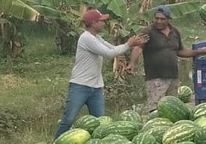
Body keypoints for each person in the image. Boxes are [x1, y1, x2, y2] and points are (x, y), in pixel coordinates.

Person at [55, 8, 146, 137]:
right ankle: (55, 143)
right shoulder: (86, 38)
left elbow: (113, 49)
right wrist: (127, 44)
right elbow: (109, 54)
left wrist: (131, 44)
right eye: (101, 21)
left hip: (96, 87)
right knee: (68, 119)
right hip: (80, 86)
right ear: (93, 23)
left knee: (100, 122)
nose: (104, 23)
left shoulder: (96, 37)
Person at [128, 5, 196, 113]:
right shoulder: (148, 31)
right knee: (155, 109)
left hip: (173, 76)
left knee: (172, 110)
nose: (159, 21)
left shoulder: (175, 32)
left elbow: (180, 51)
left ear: (168, 19)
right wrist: (132, 63)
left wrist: (197, 52)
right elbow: (138, 48)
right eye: (157, 18)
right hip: (155, 77)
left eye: (162, 19)